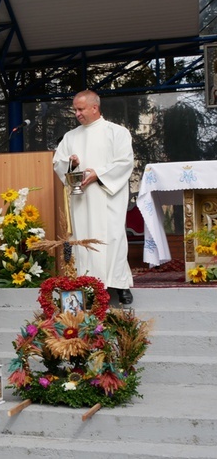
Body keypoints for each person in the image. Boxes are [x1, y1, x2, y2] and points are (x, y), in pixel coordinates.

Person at [53, 89, 135, 305]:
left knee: (114, 238)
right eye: (75, 110)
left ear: (94, 108)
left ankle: (119, 284)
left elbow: (125, 162)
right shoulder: (71, 137)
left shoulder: (117, 132)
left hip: (108, 196)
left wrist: (99, 174)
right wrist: (70, 163)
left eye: (80, 109)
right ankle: (89, 285)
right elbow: (58, 163)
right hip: (83, 200)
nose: (77, 114)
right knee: (85, 241)